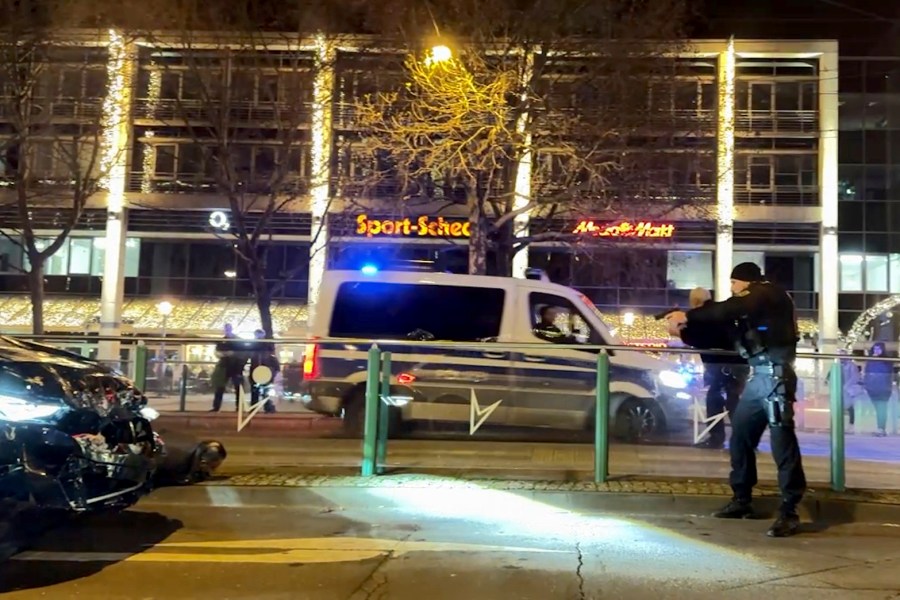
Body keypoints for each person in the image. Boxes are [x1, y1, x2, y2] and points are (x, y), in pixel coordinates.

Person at [665, 262, 807, 538]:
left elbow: (730, 308)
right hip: (759, 379)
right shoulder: (756, 308)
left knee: (783, 444)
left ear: (744, 281)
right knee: (740, 435)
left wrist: (690, 315)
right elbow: (725, 334)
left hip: (776, 378)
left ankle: (789, 510)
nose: (731, 290)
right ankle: (742, 500)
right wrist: (684, 332)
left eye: (733, 283)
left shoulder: (768, 294)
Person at [680, 287, 748, 450]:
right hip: (737, 363)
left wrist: (681, 332)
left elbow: (695, 339)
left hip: (719, 365)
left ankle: (717, 438)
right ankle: (744, 440)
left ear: (695, 301)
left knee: (715, 400)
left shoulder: (700, 316)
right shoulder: (721, 311)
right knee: (733, 400)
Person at [210, 324, 248, 412]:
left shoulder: (237, 341)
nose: (227, 330)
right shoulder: (223, 340)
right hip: (225, 367)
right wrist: (221, 354)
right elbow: (217, 352)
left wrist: (234, 355)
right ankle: (216, 407)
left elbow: (244, 354)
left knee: (237, 387)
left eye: (228, 329)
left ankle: (238, 407)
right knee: (220, 387)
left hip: (235, 366)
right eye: (226, 329)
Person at [863, 342, 893, 437]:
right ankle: (880, 428)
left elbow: (887, 372)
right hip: (872, 388)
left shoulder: (886, 361)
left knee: (882, 408)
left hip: (883, 388)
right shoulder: (870, 361)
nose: (876, 351)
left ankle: (881, 429)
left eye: (878, 349)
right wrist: (866, 385)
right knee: (878, 408)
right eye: (875, 349)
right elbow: (867, 373)